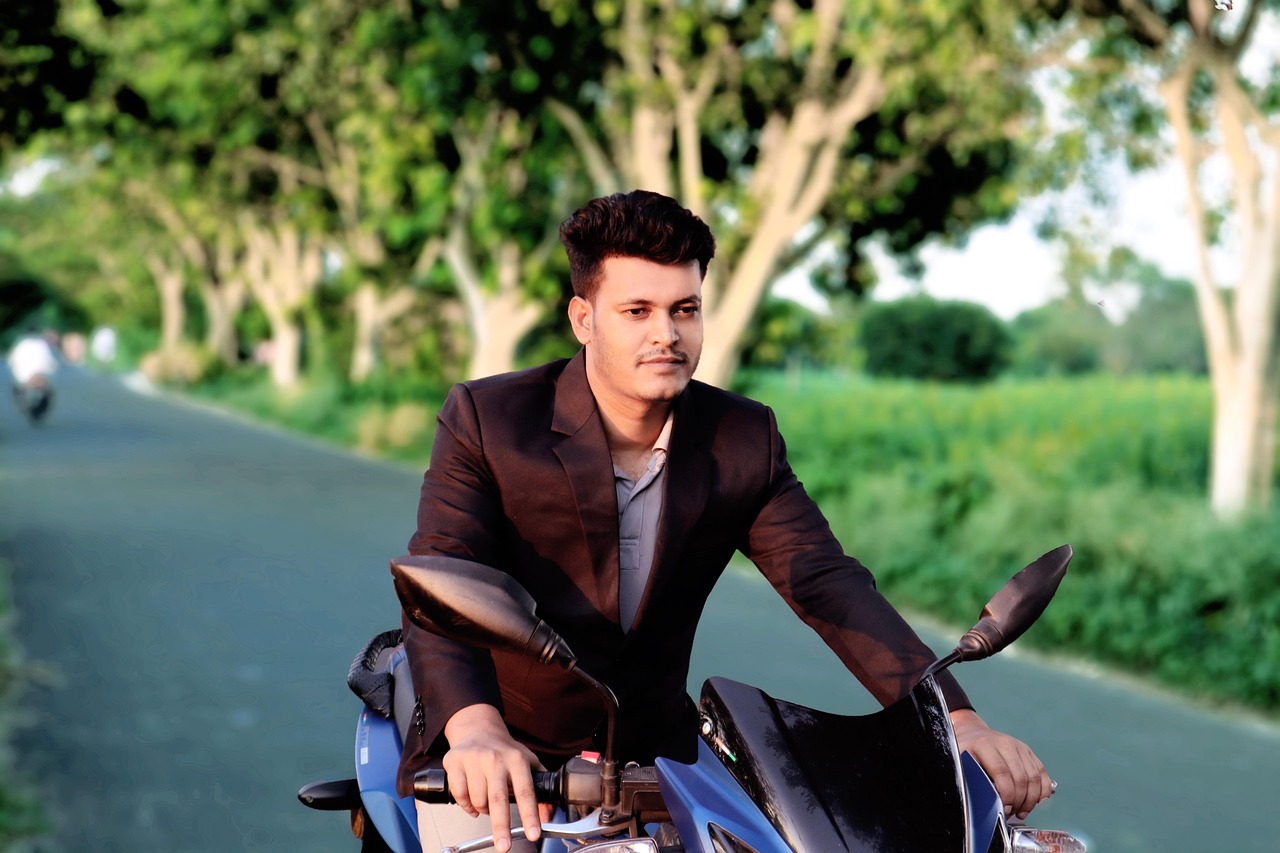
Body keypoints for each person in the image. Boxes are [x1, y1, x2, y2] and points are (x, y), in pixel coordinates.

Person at [395, 190, 1053, 853]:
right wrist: (475, 729)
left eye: (684, 309)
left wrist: (956, 719)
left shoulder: (742, 437)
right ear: (583, 318)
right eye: (637, 311)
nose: (666, 334)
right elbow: (442, 578)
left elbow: (827, 583)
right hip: (501, 750)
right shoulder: (490, 420)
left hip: (657, 758)